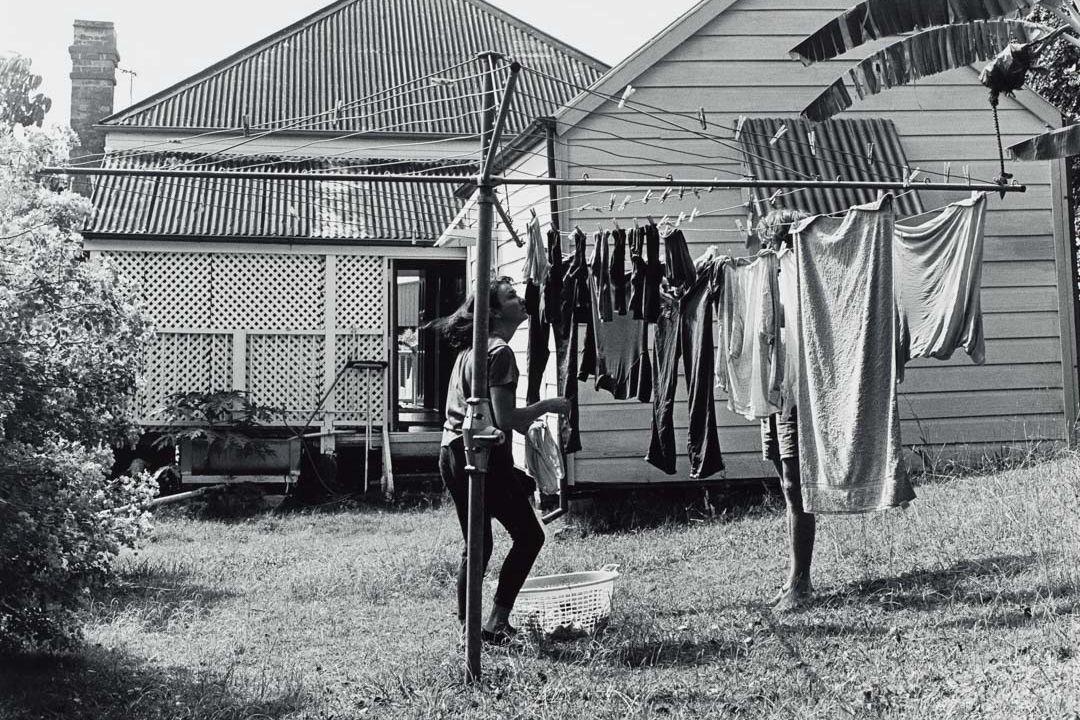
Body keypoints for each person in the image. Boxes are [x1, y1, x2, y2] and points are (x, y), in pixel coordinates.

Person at [428, 276, 569, 642]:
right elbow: (507, 421)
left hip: (452, 451)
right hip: (481, 454)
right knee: (528, 536)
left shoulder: (471, 351)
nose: (521, 300)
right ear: (493, 311)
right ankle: (493, 623)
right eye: (511, 296)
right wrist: (551, 407)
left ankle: (470, 629)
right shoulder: (500, 353)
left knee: (479, 543)